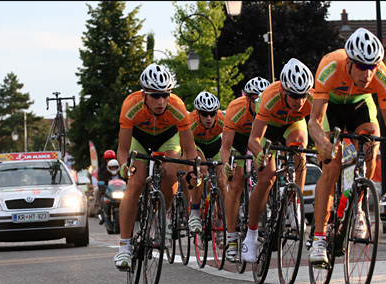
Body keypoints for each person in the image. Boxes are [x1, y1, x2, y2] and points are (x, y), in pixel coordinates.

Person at [308, 27, 386, 264]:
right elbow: (314, 120)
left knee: (371, 141)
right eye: (362, 67)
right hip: (330, 109)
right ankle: (318, 239)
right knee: (332, 166)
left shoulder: (381, 76)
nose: (368, 73)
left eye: (373, 66)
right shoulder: (330, 66)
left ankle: (360, 209)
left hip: (359, 106)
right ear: (349, 62)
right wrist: (322, 141)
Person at [114, 63, 198, 270]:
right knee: (135, 183)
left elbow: (189, 149)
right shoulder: (130, 105)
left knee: (171, 172)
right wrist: (125, 166)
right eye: (155, 96)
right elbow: (122, 150)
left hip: (167, 139)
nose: (161, 101)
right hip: (139, 139)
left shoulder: (178, 107)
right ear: (144, 94)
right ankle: (124, 247)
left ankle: (163, 215)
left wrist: (192, 173)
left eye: (165, 95)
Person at [242, 59, 314, 263]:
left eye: (303, 95)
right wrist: (261, 154)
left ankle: (295, 202)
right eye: (294, 95)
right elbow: (253, 140)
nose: (299, 101)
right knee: (266, 179)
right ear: (284, 91)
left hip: (292, 124)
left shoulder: (311, 98)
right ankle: (252, 234)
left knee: (300, 148)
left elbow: (318, 124)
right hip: (268, 130)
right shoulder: (270, 97)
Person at [219, 76, 270, 262]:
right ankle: (232, 239)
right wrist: (228, 165)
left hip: (258, 140)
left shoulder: (269, 107)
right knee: (235, 184)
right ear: (247, 99)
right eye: (255, 99)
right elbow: (225, 148)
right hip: (237, 144)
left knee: (265, 174)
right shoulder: (235, 109)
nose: (259, 103)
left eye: (262, 99)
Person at [187, 91, 226, 233]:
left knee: (222, 181)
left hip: (215, 147)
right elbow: (187, 147)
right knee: (201, 171)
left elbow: (228, 143)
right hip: (197, 146)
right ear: (197, 114)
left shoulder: (222, 119)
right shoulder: (190, 121)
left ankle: (221, 219)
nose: (209, 118)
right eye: (204, 114)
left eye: (212, 114)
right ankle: (195, 212)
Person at [98, 159, 122, 225]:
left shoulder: (122, 174)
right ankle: (103, 215)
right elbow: (102, 185)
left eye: (115, 167)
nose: (113, 169)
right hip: (109, 194)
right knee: (103, 200)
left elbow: (127, 183)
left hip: (121, 193)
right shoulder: (104, 174)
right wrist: (104, 191)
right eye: (112, 167)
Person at [94, 149, 117, 216]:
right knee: (96, 190)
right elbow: (100, 178)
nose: (109, 161)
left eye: (111, 159)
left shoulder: (119, 167)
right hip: (106, 188)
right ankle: (99, 207)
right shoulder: (103, 169)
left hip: (118, 188)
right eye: (107, 159)